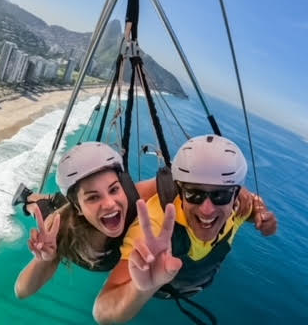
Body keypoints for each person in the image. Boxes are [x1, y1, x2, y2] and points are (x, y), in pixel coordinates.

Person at [93, 135, 277, 324]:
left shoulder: (236, 209)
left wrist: (261, 216)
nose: (207, 209)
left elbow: (253, 205)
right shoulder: (155, 226)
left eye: (220, 195)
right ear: (180, 192)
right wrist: (141, 288)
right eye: (194, 194)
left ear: (235, 195)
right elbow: (102, 313)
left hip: (194, 284)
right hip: (161, 292)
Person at [14, 141, 157, 298]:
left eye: (114, 189)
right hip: (69, 218)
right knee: (40, 210)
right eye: (93, 197)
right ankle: (28, 198)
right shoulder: (59, 228)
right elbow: (22, 291)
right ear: (78, 207)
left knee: (72, 204)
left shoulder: (136, 199)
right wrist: (46, 258)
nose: (110, 203)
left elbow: (174, 182)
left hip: (81, 210)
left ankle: (58, 198)